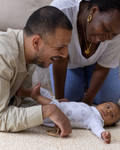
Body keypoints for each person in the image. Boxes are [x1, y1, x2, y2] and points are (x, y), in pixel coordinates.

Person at [0, 6, 73, 137]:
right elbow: (1, 117)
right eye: (60, 47)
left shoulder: (27, 55)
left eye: (67, 46)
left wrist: (54, 105)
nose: (65, 54)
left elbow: (18, 99)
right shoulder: (4, 57)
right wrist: (48, 110)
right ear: (36, 43)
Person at [49, 0, 120, 105]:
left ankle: (86, 80)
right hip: (66, 63)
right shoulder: (61, 12)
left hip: (97, 64)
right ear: (94, 10)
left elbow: (104, 66)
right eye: (106, 29)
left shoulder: (116, 29)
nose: (107, 38)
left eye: (113, 34)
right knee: (69, 97)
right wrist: (59, 102)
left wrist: (87, 102)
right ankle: (82, 79)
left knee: (108, 98)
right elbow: (60, 60)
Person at [17, 83, 120, 144]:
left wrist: (103, 134)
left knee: (52, 105)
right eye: (108, 106)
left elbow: (97, 128)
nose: (108, 111)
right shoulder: (90, 107)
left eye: (112, 115)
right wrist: (66, 102)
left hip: (56, 117)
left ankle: (35, 97)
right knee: (44, 92)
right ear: (101, 104)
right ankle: (24, 92)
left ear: (109, 124)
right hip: (58, 105)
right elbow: (75, 106)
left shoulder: (96, 120)